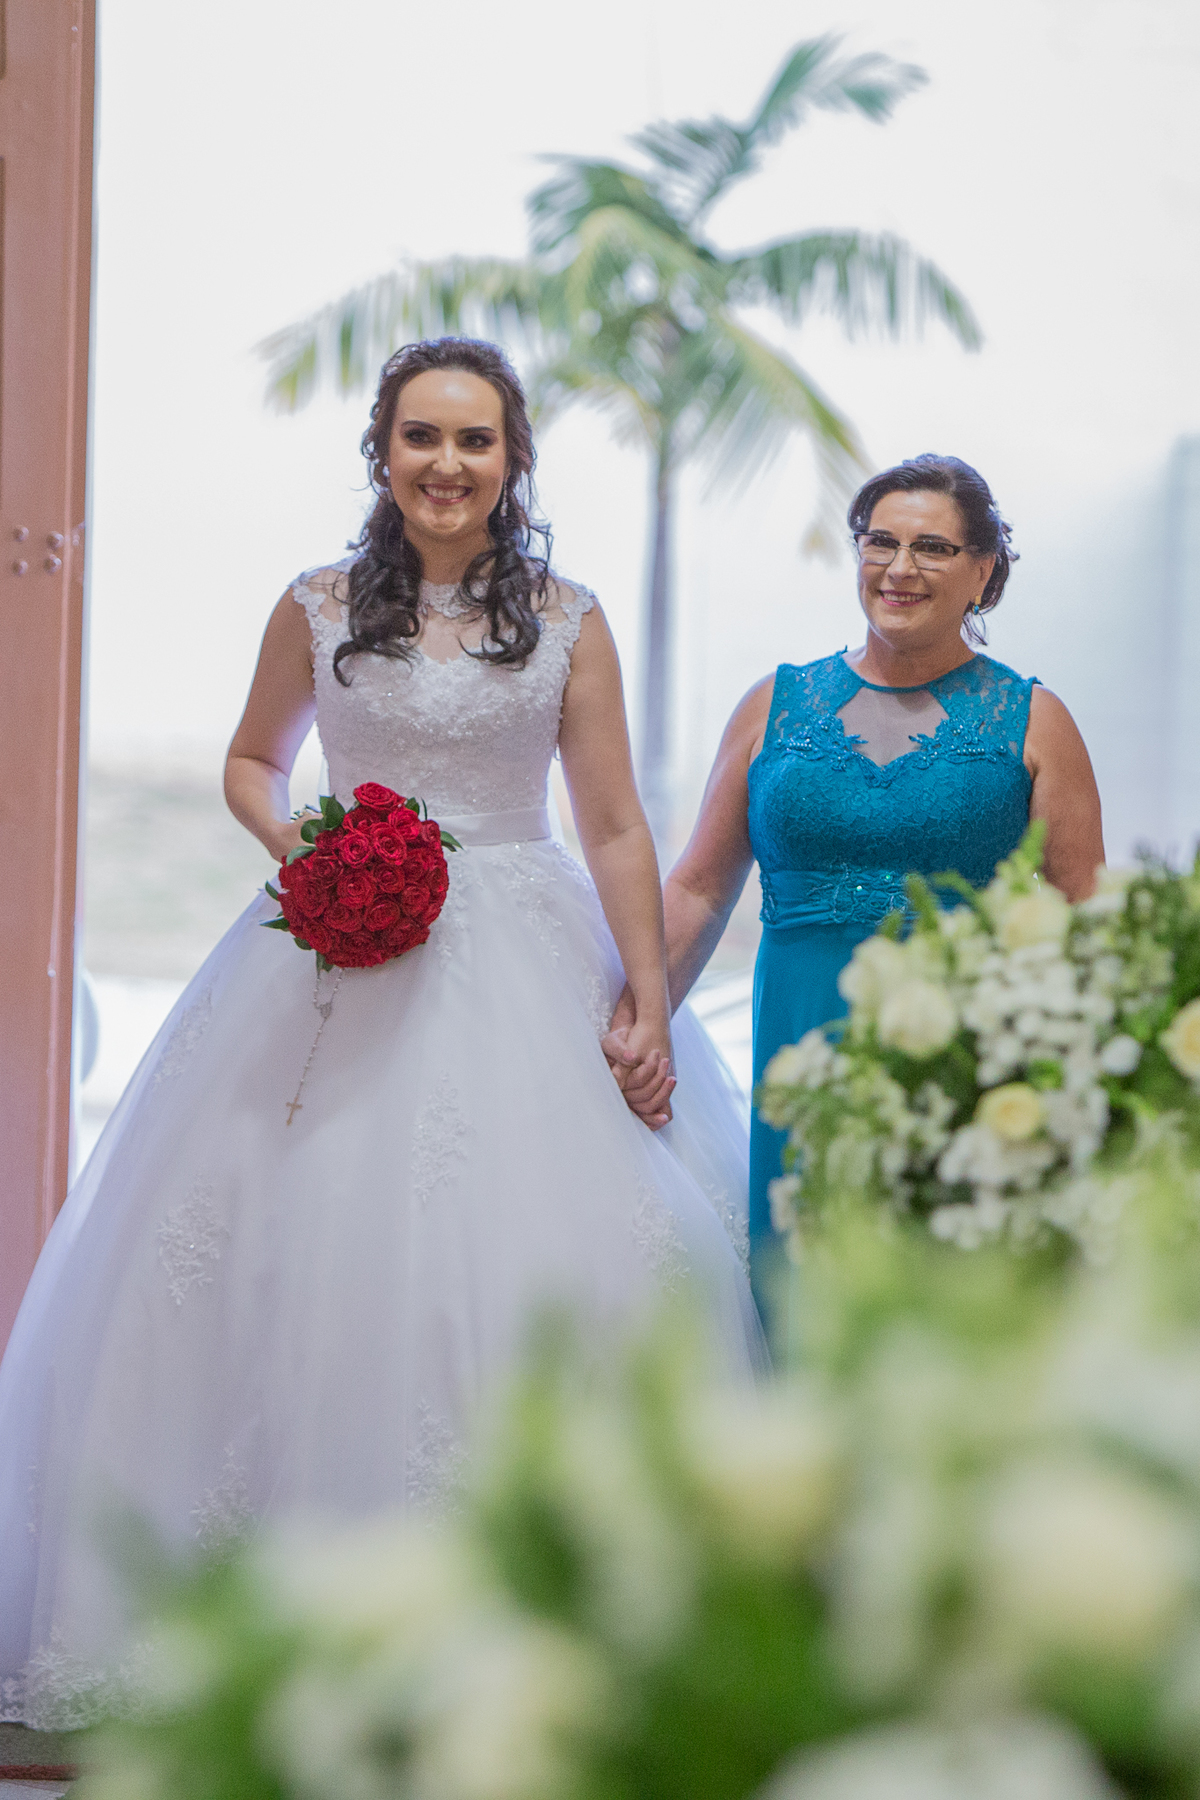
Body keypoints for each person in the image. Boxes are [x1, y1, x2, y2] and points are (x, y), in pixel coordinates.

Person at [0, 338, 761, 1728]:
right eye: (422, 436)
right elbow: (252, 762)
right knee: (275, 1244)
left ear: (513, 461)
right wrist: (316, 850)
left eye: (476, 440)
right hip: (334, 950)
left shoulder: (571, 620)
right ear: (382, 451)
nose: (446, 464)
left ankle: (535, 1627)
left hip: (523, 941)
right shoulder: (317, 603)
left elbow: (610, 824)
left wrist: (647, 997)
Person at [605, 454, 1104, 1323]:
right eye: (880, 542)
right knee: (801, 1295)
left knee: (942, 1311)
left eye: (933, 548)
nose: (899, 568)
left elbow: (1084, 921)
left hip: (965, 1064)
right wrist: (638, 1026)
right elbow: (698, 889)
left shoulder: (1036, 720)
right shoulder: (774, 703)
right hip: (799, 1050)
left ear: (984, 572)